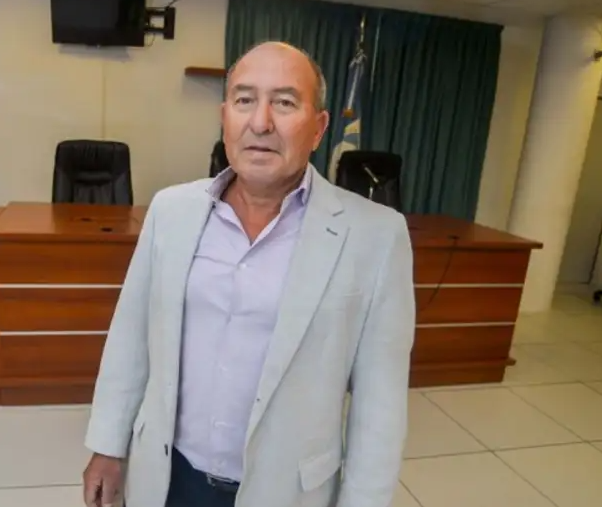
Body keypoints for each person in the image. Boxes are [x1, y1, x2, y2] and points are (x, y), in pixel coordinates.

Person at [82, 41, 415, 507]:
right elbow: (131, 337)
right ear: (225, 118)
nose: (260, 122)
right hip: (167, 477)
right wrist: (108, 446)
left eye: (285, 102)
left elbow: (380, 403)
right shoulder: (171, 210)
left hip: (288, 492)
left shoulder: (376, 236)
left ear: (319, 128)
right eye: (244, 100)